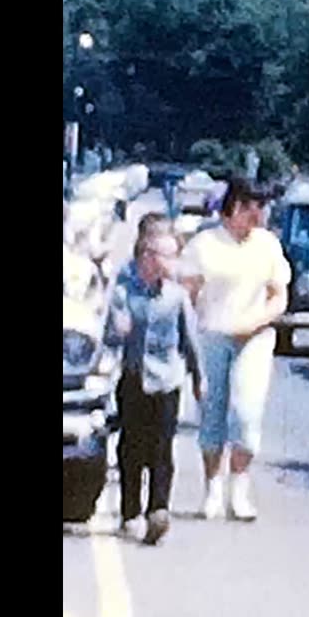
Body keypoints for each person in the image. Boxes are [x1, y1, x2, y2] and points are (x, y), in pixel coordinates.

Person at [176, 177, 290, 522]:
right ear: (233, 207)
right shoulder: (204, 244)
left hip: (253, 337)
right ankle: (212, 488)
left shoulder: (267, 246)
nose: (258, 214)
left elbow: (279, 296)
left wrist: (255, 322)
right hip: (213, 334)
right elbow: (188, 292)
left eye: (261, 207)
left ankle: (239, 489)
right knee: (212, 413)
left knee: (245, 413)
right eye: (252, 206)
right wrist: (199, 328)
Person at [105, 232, 204, 545]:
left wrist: (200, 378)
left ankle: (158, 509)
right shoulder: (124, 293)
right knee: (131, 446)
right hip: (134, 379)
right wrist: (118, 332)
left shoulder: (176, 297)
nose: (172, 263)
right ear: (147, 257)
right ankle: (130, 511)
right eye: (167, 255)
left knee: (162, 448)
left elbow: (190, 341)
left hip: (167, 381)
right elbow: (109, 336)